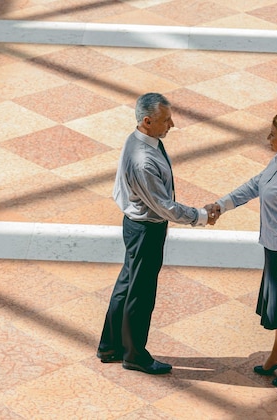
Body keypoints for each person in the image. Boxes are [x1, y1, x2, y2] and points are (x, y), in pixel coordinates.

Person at [97, 92, 218, 375]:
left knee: (128, 284)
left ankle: (110, 345)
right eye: (166, 120)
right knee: (141, 292)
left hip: (136, 225)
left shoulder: (140, 140)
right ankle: (135, 355)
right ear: (147, 121)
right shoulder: (144, 161)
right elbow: (164, 207)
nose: (172, 124)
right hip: (146, 231)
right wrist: (199, 216)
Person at [211, 112, 277, 387]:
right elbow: (254, 185)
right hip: (274, 246)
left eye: (273, 135)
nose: (268, 139)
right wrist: (223, 205)